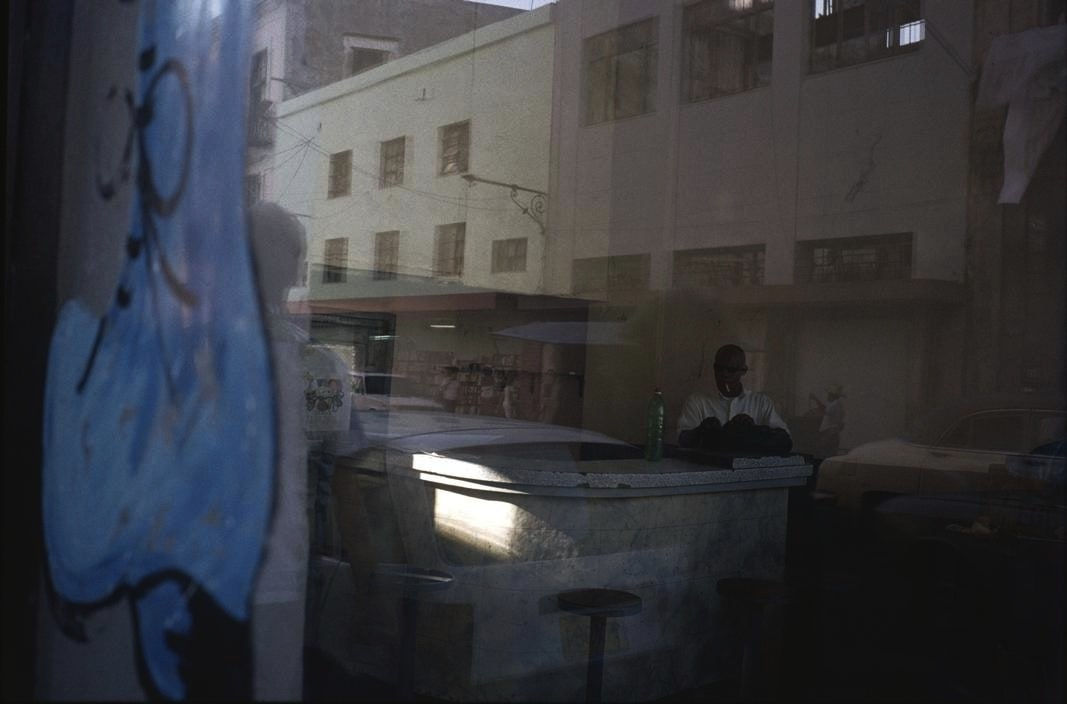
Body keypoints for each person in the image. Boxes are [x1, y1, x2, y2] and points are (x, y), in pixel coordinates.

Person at [677, 344, 791, 453]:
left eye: (731, 370)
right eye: (719, 369)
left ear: (743, 371)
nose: (724, 374)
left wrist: (754, 431)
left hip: (749, 472)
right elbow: (682, 440)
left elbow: (785, 441)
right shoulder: (697, 401)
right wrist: (701, 431)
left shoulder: (761, 402)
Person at [810, 384, 846, 458]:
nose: (827, 396)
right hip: (832, 433)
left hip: (829, 433)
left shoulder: (835, 405)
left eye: (828, 394)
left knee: (824, 453)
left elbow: (824, 409)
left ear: (832, 395)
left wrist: (815, 399)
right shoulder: (838, 405)